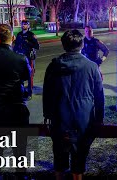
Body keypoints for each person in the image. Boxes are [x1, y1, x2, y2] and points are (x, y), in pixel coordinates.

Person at [43, 29, 104, 180]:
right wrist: (99, 119)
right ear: (82, 45)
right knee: (79, 162)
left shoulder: (54, 66)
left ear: (64, 45)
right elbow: (99, 96)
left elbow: (47, 93)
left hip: (59, 118)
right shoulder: (91, 67)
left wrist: (47, 115)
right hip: (83, 119)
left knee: (59, 160)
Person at [0, 24, 31, 178]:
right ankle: (21, 176)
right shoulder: (21, 58)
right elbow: (26, 76)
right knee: (19, 147)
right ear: (13, 38)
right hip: (16, 106)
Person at [14, 19, 40, 100]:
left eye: (25, 24)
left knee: (30, 76)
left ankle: (29, 93)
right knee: (20, 76)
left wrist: (28, 42)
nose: (23, 25)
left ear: (28, 26)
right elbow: (16, 46)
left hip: (29, 58)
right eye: (22, 24)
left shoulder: (31, 35)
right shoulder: (19, 35)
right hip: (20, 58)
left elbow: (37, 46)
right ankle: (22, 92)